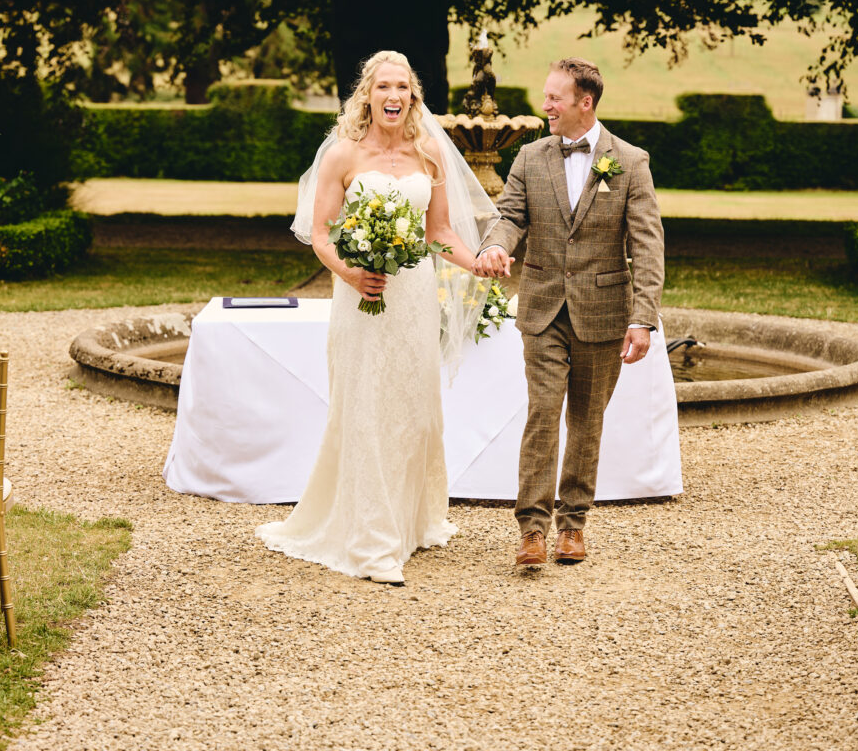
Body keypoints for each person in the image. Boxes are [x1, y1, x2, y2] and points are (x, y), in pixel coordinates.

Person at [256, 51, 491, 586]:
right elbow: (320, 234)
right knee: (364, 408)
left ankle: (406, 523)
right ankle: (372, 543)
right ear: (367, 95)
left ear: (413, 96)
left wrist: (477, 262)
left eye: (402, 87)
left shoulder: (428, 152)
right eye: (383, 86)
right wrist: (351, 274)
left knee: (412, 408)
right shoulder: (343, 154)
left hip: (413, 299)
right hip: (359, 298)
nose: (393, 95)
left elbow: (439, 233)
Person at [473, 57, 666, 567]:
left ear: (586, 102)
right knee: (542, 412)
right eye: (546, 96)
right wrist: (496, 245)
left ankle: (573, 524)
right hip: (541, 308)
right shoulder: (529, 157)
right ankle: (532, 529)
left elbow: (647, 245)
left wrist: (642, 318)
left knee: (586, 420)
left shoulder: (631, 162)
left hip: (603, 311)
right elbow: (509, 216)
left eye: (555, 97)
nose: (545, 106)